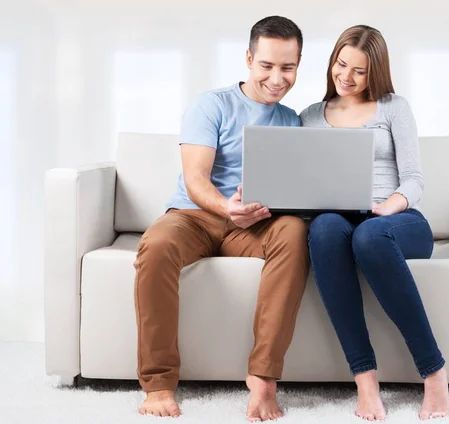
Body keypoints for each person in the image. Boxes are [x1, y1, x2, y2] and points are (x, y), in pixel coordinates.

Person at [133, 16, 309, 421]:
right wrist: (227, 207)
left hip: (255, 225)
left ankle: (263, 380)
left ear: (299, 65)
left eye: (288, 67)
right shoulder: (211, 104)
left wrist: (272, 209)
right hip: (195, 216)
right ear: (249, 59)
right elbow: (195, 179)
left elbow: (292, 188)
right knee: (156, 245)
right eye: (267, 66)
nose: (277, 78)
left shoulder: (292, 120)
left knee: (296, 230)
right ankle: (158, 384)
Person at [300, 25, 449, 421]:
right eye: (340, 63)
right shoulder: (310, 117)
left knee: (369, 237)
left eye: (359, 71)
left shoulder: (393, 107)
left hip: (397, 220)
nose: (345, 76)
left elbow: (415, 179)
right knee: (325, 229)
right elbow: (300, 180)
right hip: (337, 218)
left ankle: (434, 372)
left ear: (376, 72)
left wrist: (390, 204)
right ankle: (366, 383)